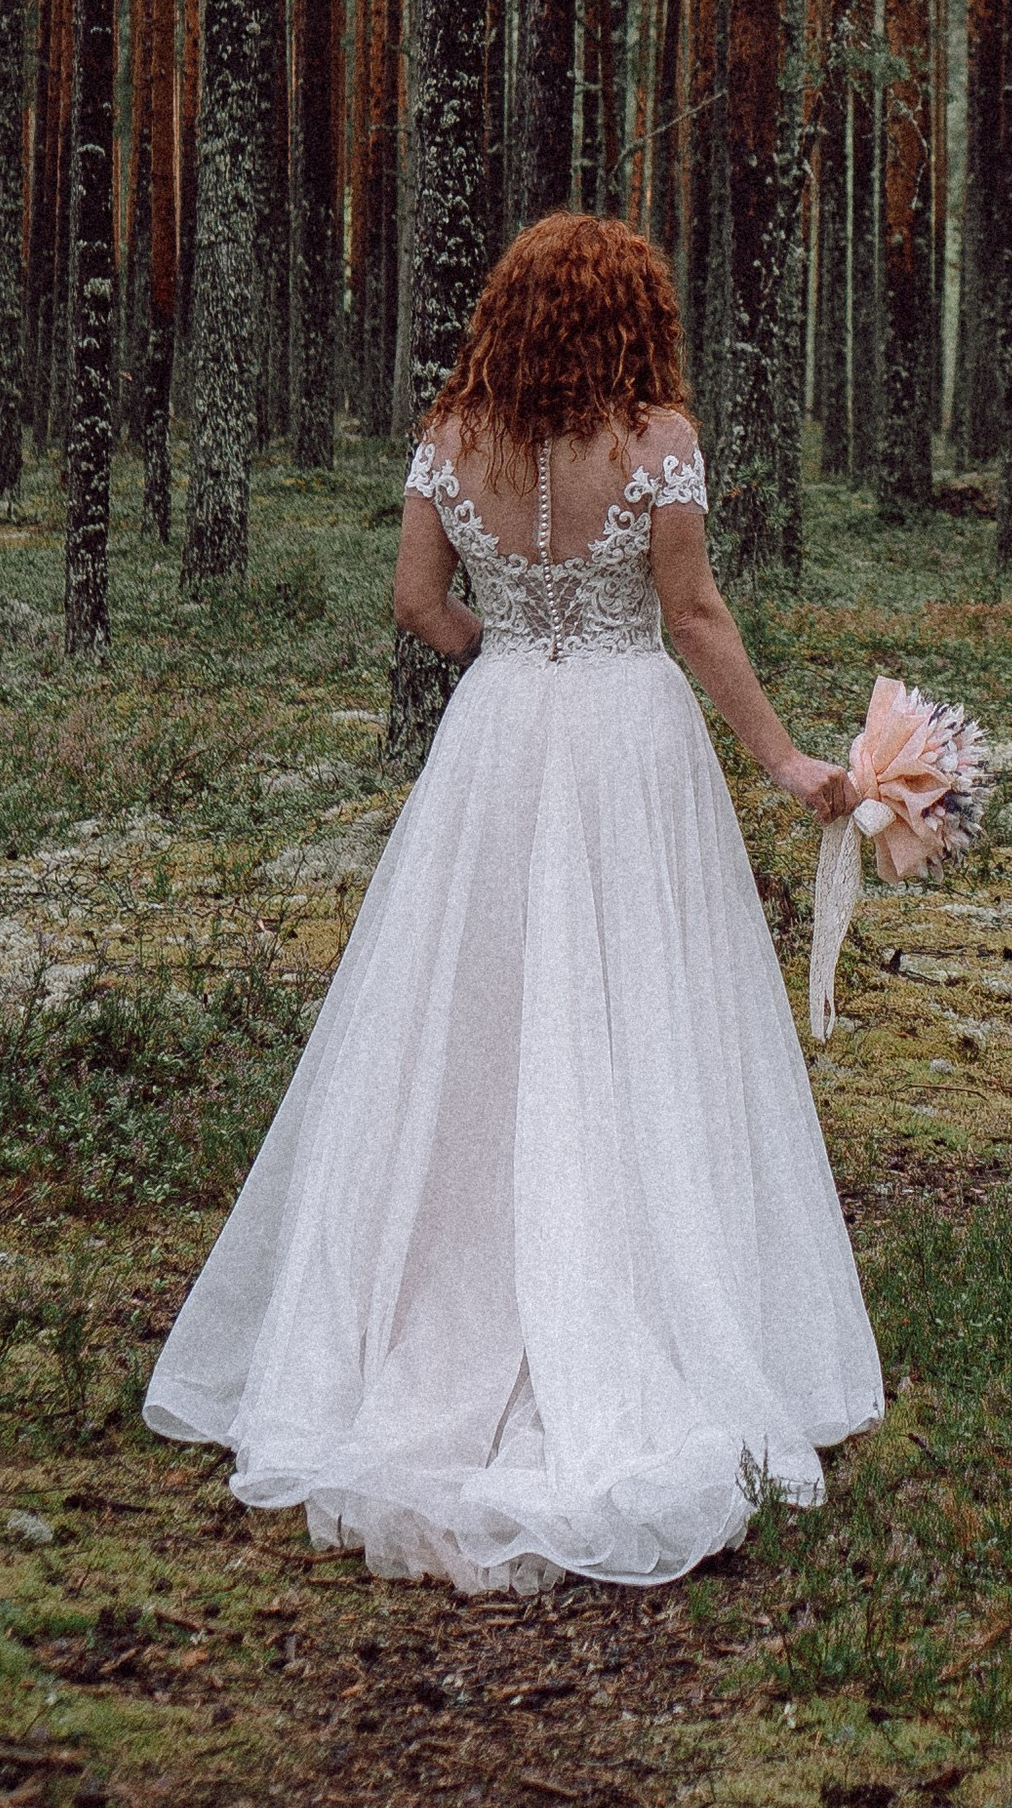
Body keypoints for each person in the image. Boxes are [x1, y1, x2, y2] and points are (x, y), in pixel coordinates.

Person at [145, 210, 884, 1592]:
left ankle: (436, 1304)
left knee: (466, 1024)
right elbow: (694, 614)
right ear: (632, 315)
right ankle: (644, 1297)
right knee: (640, 1010)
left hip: (497, 741)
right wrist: (785, 760)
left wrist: (503, 648)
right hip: (626, 745)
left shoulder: (453, 437)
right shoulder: (655, 439)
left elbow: (416, 600)